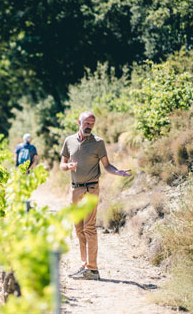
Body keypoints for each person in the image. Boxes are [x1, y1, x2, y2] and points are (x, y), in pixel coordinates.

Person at [60, 111, 131, 280]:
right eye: (87, 123)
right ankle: (85, 265)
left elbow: (107, 165)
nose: (89, 126)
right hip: (75, 190)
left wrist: (117, 172)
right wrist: (68, 166)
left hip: (91, 189)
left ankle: (93, 269)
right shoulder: (69, 141)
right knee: (78, 228)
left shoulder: (98, 143)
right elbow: (61, 165)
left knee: (89, 228)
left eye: (92, 123)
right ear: (79, 122)